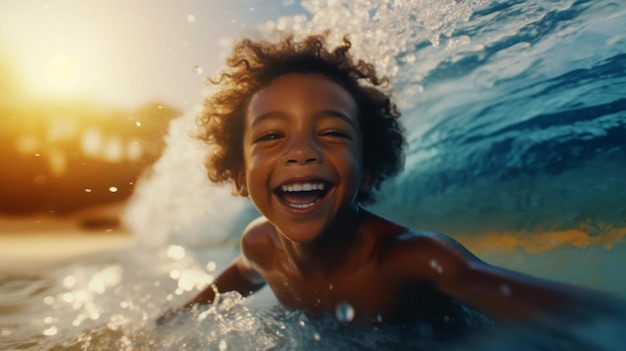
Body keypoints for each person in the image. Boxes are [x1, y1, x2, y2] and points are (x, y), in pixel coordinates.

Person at [158, 32, 617, 327]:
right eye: (273, 135)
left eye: (332, 133)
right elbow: (224, 287)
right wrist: (160, 326)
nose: (301, 151)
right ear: (239, 176)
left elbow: (566, 313)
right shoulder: (260, 247)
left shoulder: (413, 258)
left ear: (368, 167)